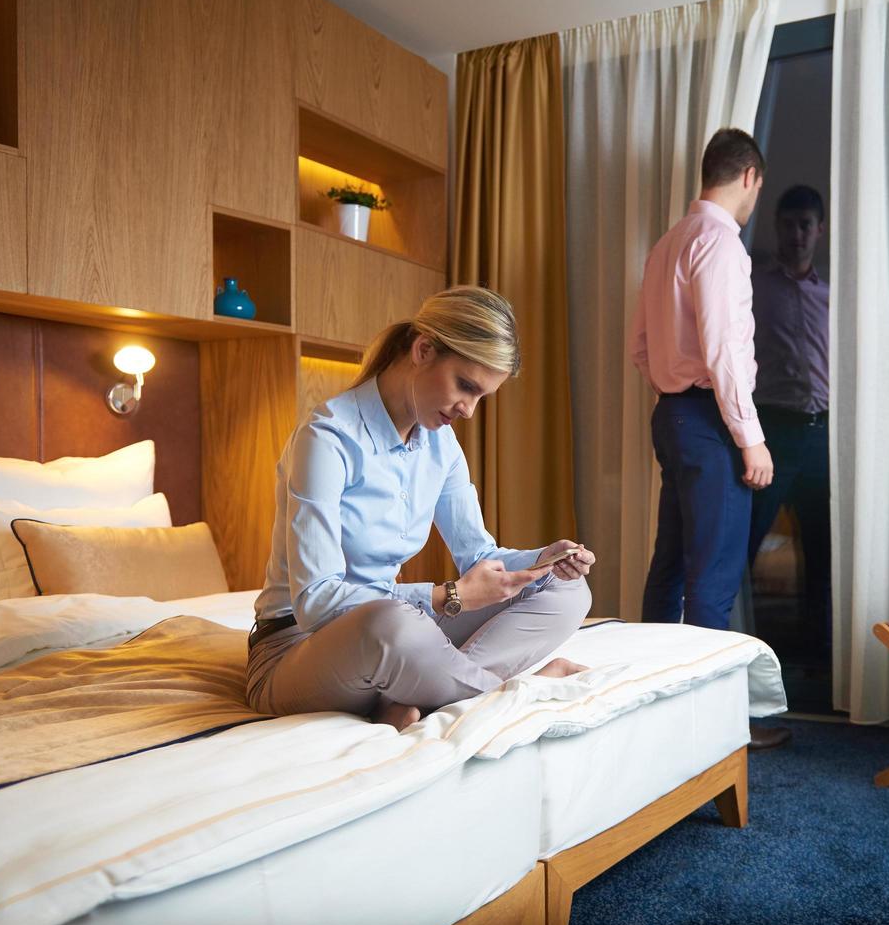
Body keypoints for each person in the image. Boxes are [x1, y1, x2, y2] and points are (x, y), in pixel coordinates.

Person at [246, 286, 596, 732]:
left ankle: (418, 699)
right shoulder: (327, 438)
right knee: (393, 625)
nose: (469, 410)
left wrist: (544, 560)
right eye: (465, 386)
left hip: (391, 635)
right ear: (423, 350)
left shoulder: (440, 444)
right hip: (296, 648)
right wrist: (444, 597)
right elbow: (316, 602)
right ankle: (525, 693)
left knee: (567, 593)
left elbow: (479, 556)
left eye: (481, 396)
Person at [629, 127, 790, 751]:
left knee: (669, 565)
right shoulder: (721, 245)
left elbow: (640, 348)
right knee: (712, 576)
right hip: (710, 421)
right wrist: (749, 438)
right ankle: (711, 733)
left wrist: (674, 390)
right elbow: (725, 350)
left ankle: (651, 714)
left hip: (672, 415)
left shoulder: (667, 244)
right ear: (749, 177)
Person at [747, 185, 831, 663]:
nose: (797, 234)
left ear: (819, 230)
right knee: (749, 541)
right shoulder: (755, 287)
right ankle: (752, 648)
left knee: (821, 550)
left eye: (806, 225)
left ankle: (819, 654)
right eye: (788, 224)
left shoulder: (833, 295)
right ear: (777, 227)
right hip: (772, 432)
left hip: (821, 436)